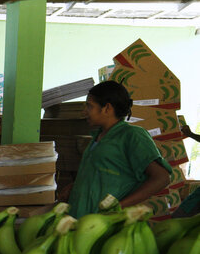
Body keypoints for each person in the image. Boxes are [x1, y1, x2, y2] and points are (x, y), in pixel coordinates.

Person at [58, 81, 171, 218]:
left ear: (107, 108)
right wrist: (76, 186)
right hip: (80, 219)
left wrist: (118, 207)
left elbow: (162, 178)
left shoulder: (132, 135)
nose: (84, 112)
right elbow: (103, 174)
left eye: (89, 106)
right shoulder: (97, 137)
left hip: (106, 224)